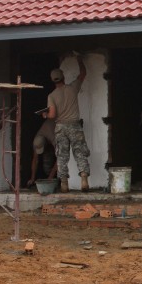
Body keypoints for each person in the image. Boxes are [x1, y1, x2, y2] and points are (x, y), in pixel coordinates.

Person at [46, 55, 90, 192]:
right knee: (80, 153)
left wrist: (45, 114)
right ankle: (84, 179)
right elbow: (83, 73)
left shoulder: (52, 96)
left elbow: (52, 115)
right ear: (63, 77)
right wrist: (79, 59)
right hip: (75, 126)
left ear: (53, 80)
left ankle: (64, 183)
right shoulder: (73, 88)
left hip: (61, 128)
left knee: (62, 156)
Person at [26, 119, 57, 187]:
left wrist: (50, 179)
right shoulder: (36, 141)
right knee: (46, 169)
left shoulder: (52, 136)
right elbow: (35, 160)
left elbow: (60, 157)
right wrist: (32, 178)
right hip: (47, 141)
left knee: (59, 165)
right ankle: (49, 176)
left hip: (57, 134)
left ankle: (57, 179)